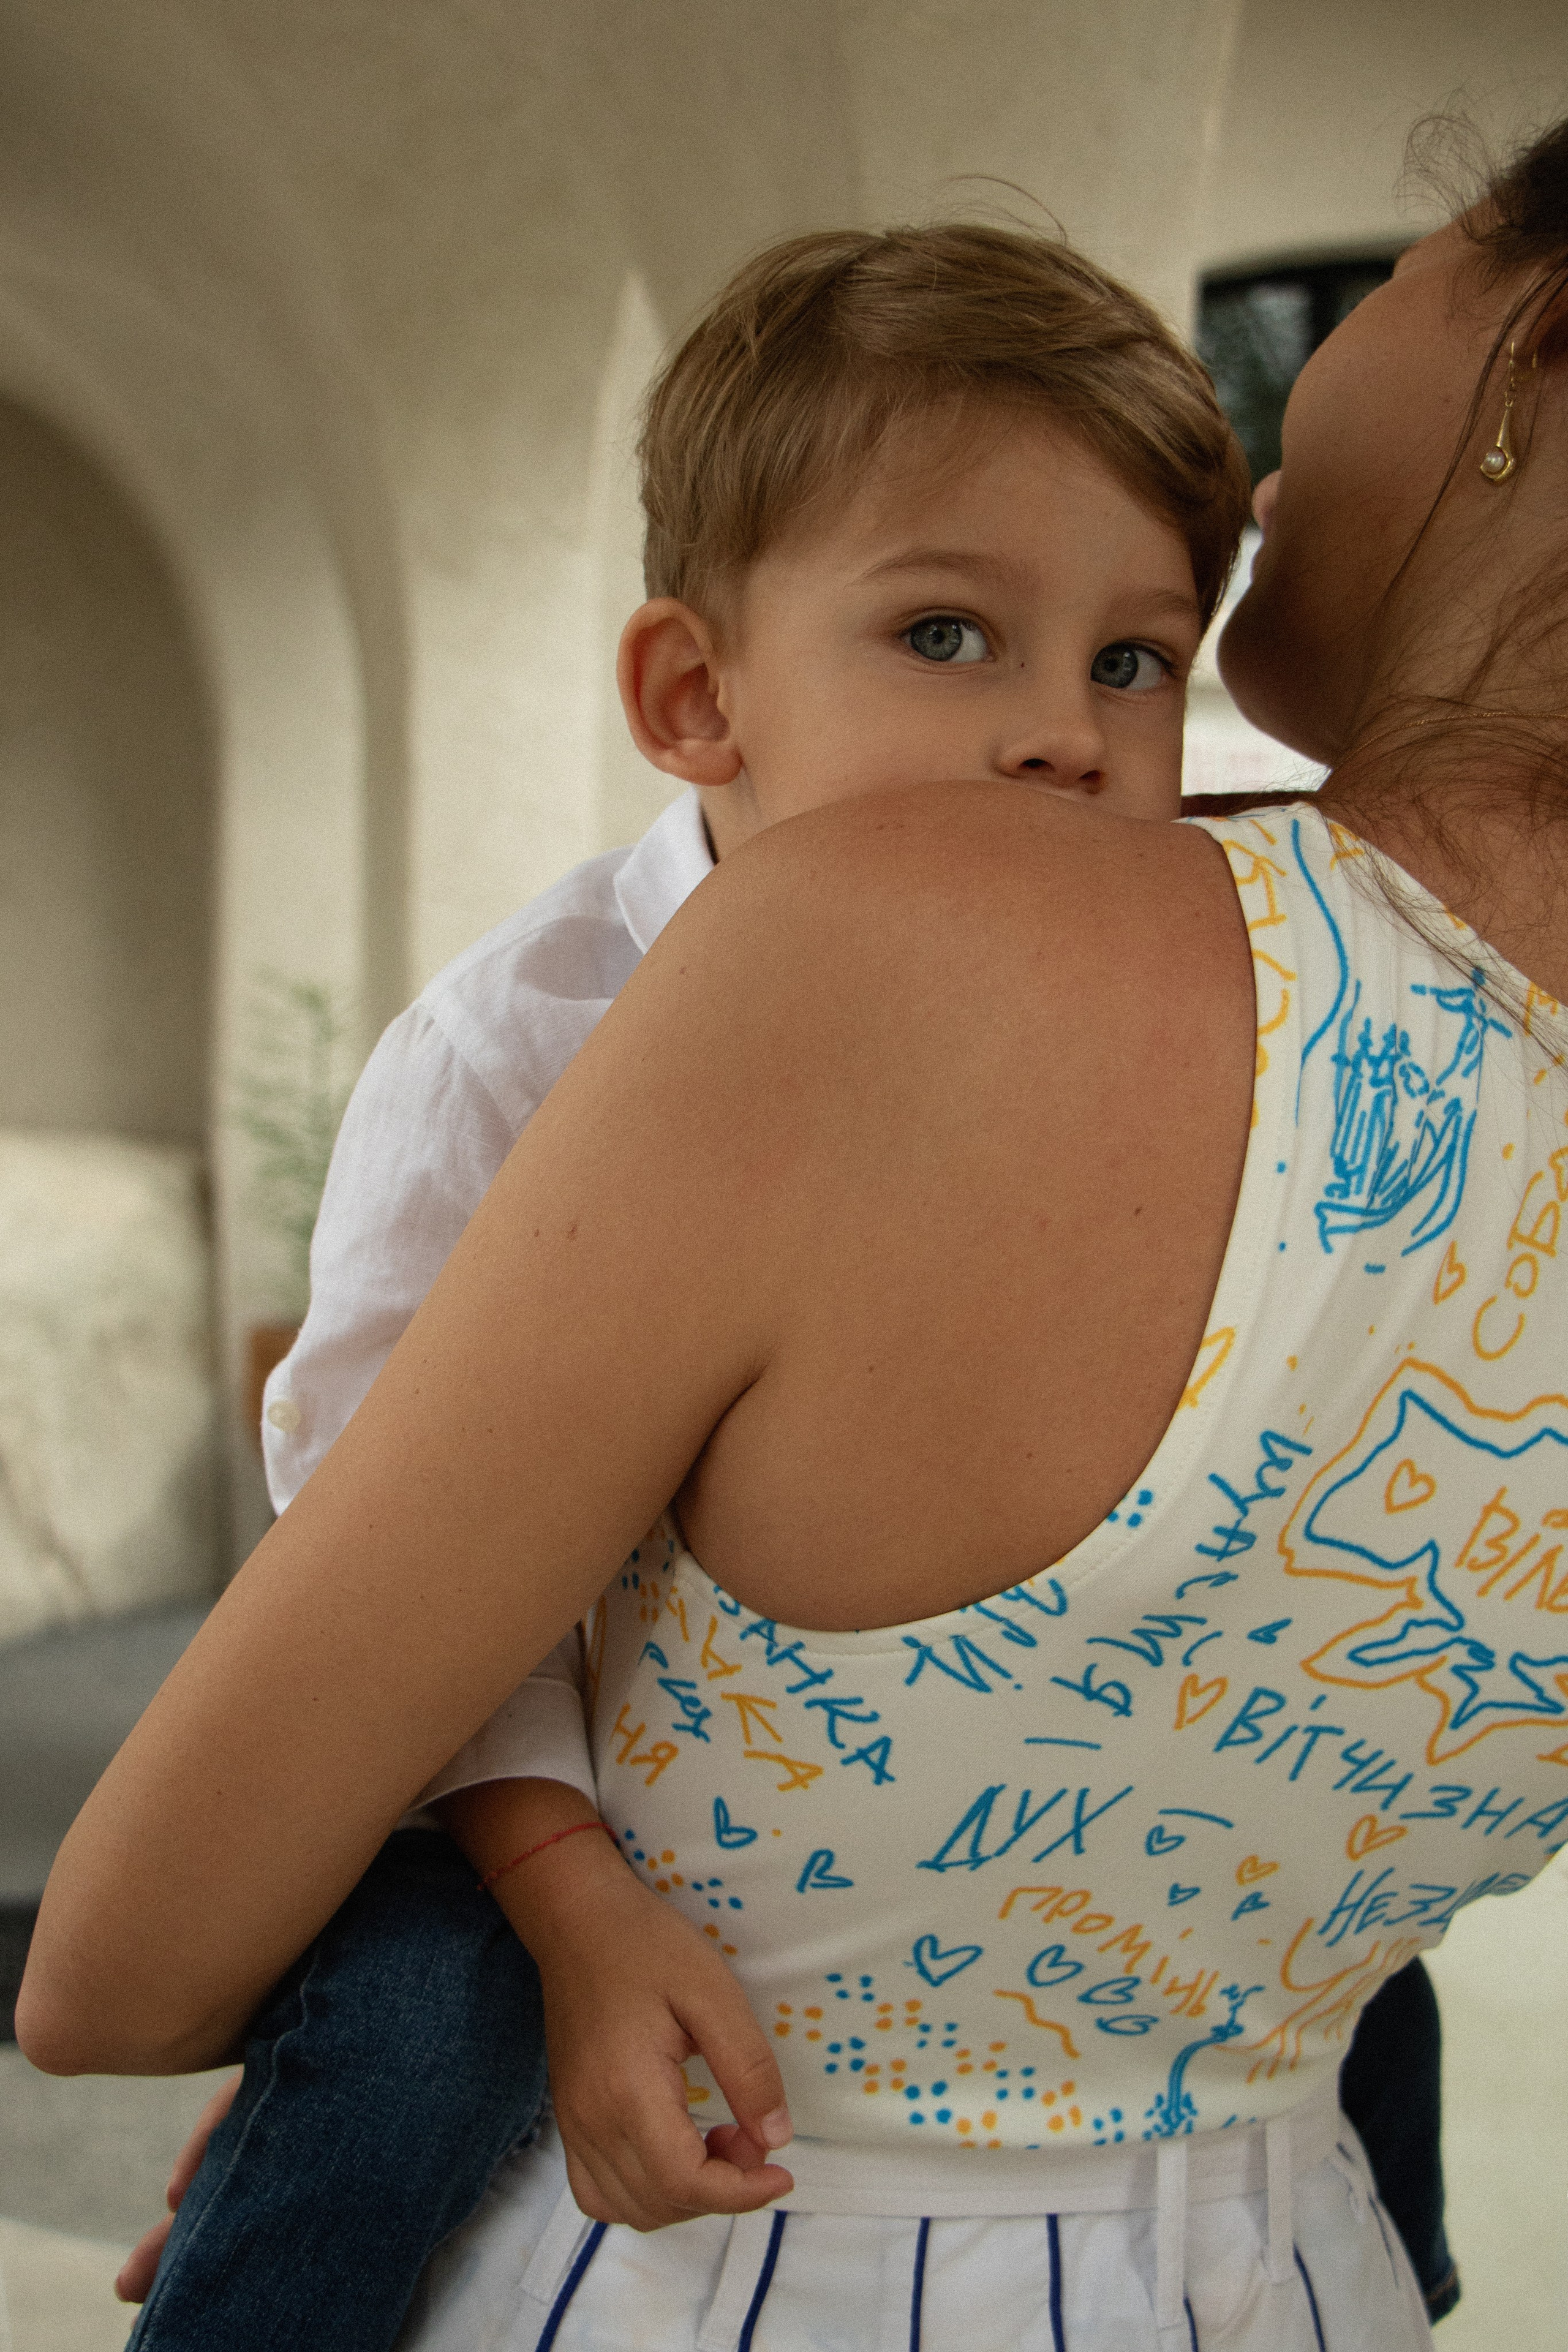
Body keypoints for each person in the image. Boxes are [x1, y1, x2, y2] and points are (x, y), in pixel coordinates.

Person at [34, 119, 1568, 2345]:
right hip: (1291, 2265)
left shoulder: (885, 945)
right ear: (694, 696)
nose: (1058, 734)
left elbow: (117, 1963)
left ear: (1525, 340)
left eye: (1141, 659)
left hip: (709, 2263)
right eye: (952, 632)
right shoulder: (544, 1022)